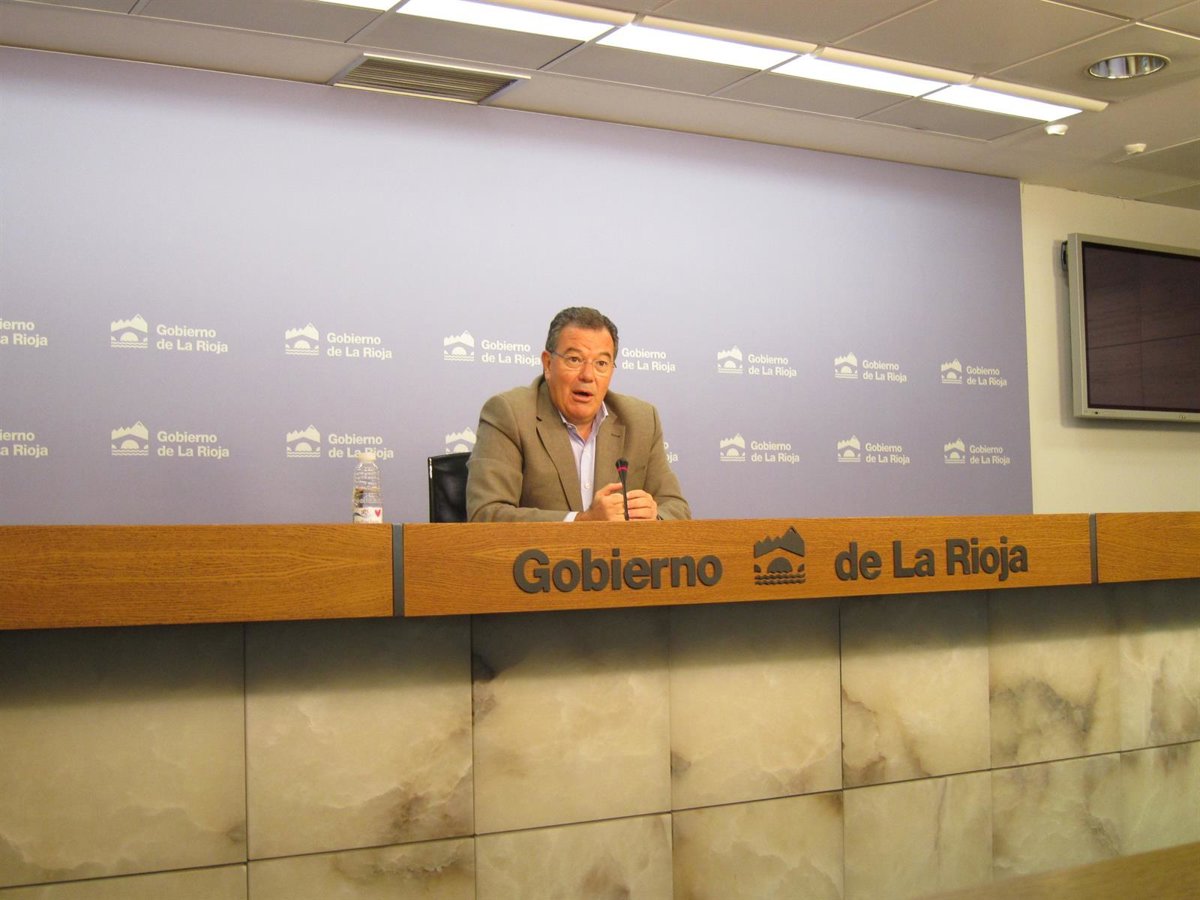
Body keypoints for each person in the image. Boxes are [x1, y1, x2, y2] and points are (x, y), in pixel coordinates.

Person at [466, 307, 690, 522]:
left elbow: (676, 509)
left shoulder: (641, 420)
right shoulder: (509, 414)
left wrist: (653, 517)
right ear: (548, 364)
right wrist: (582, 521)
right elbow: (487, 513)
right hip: (542, 551)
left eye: (601, 363)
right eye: (574, 359)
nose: (588, 375)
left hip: (619, 551)